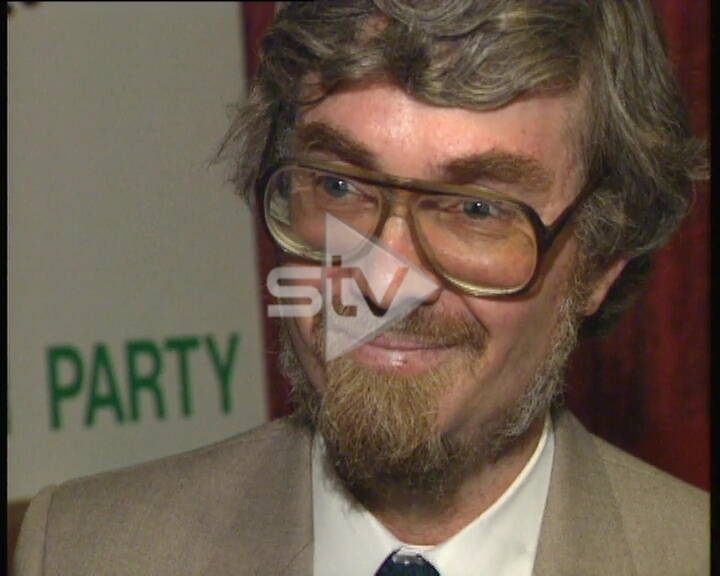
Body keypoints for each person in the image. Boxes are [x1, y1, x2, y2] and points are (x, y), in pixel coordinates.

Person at [15, 1, 708, 575]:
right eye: (339, 186)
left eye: (476, 209)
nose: (383, 281)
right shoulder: (82, 551)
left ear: (601, 261)